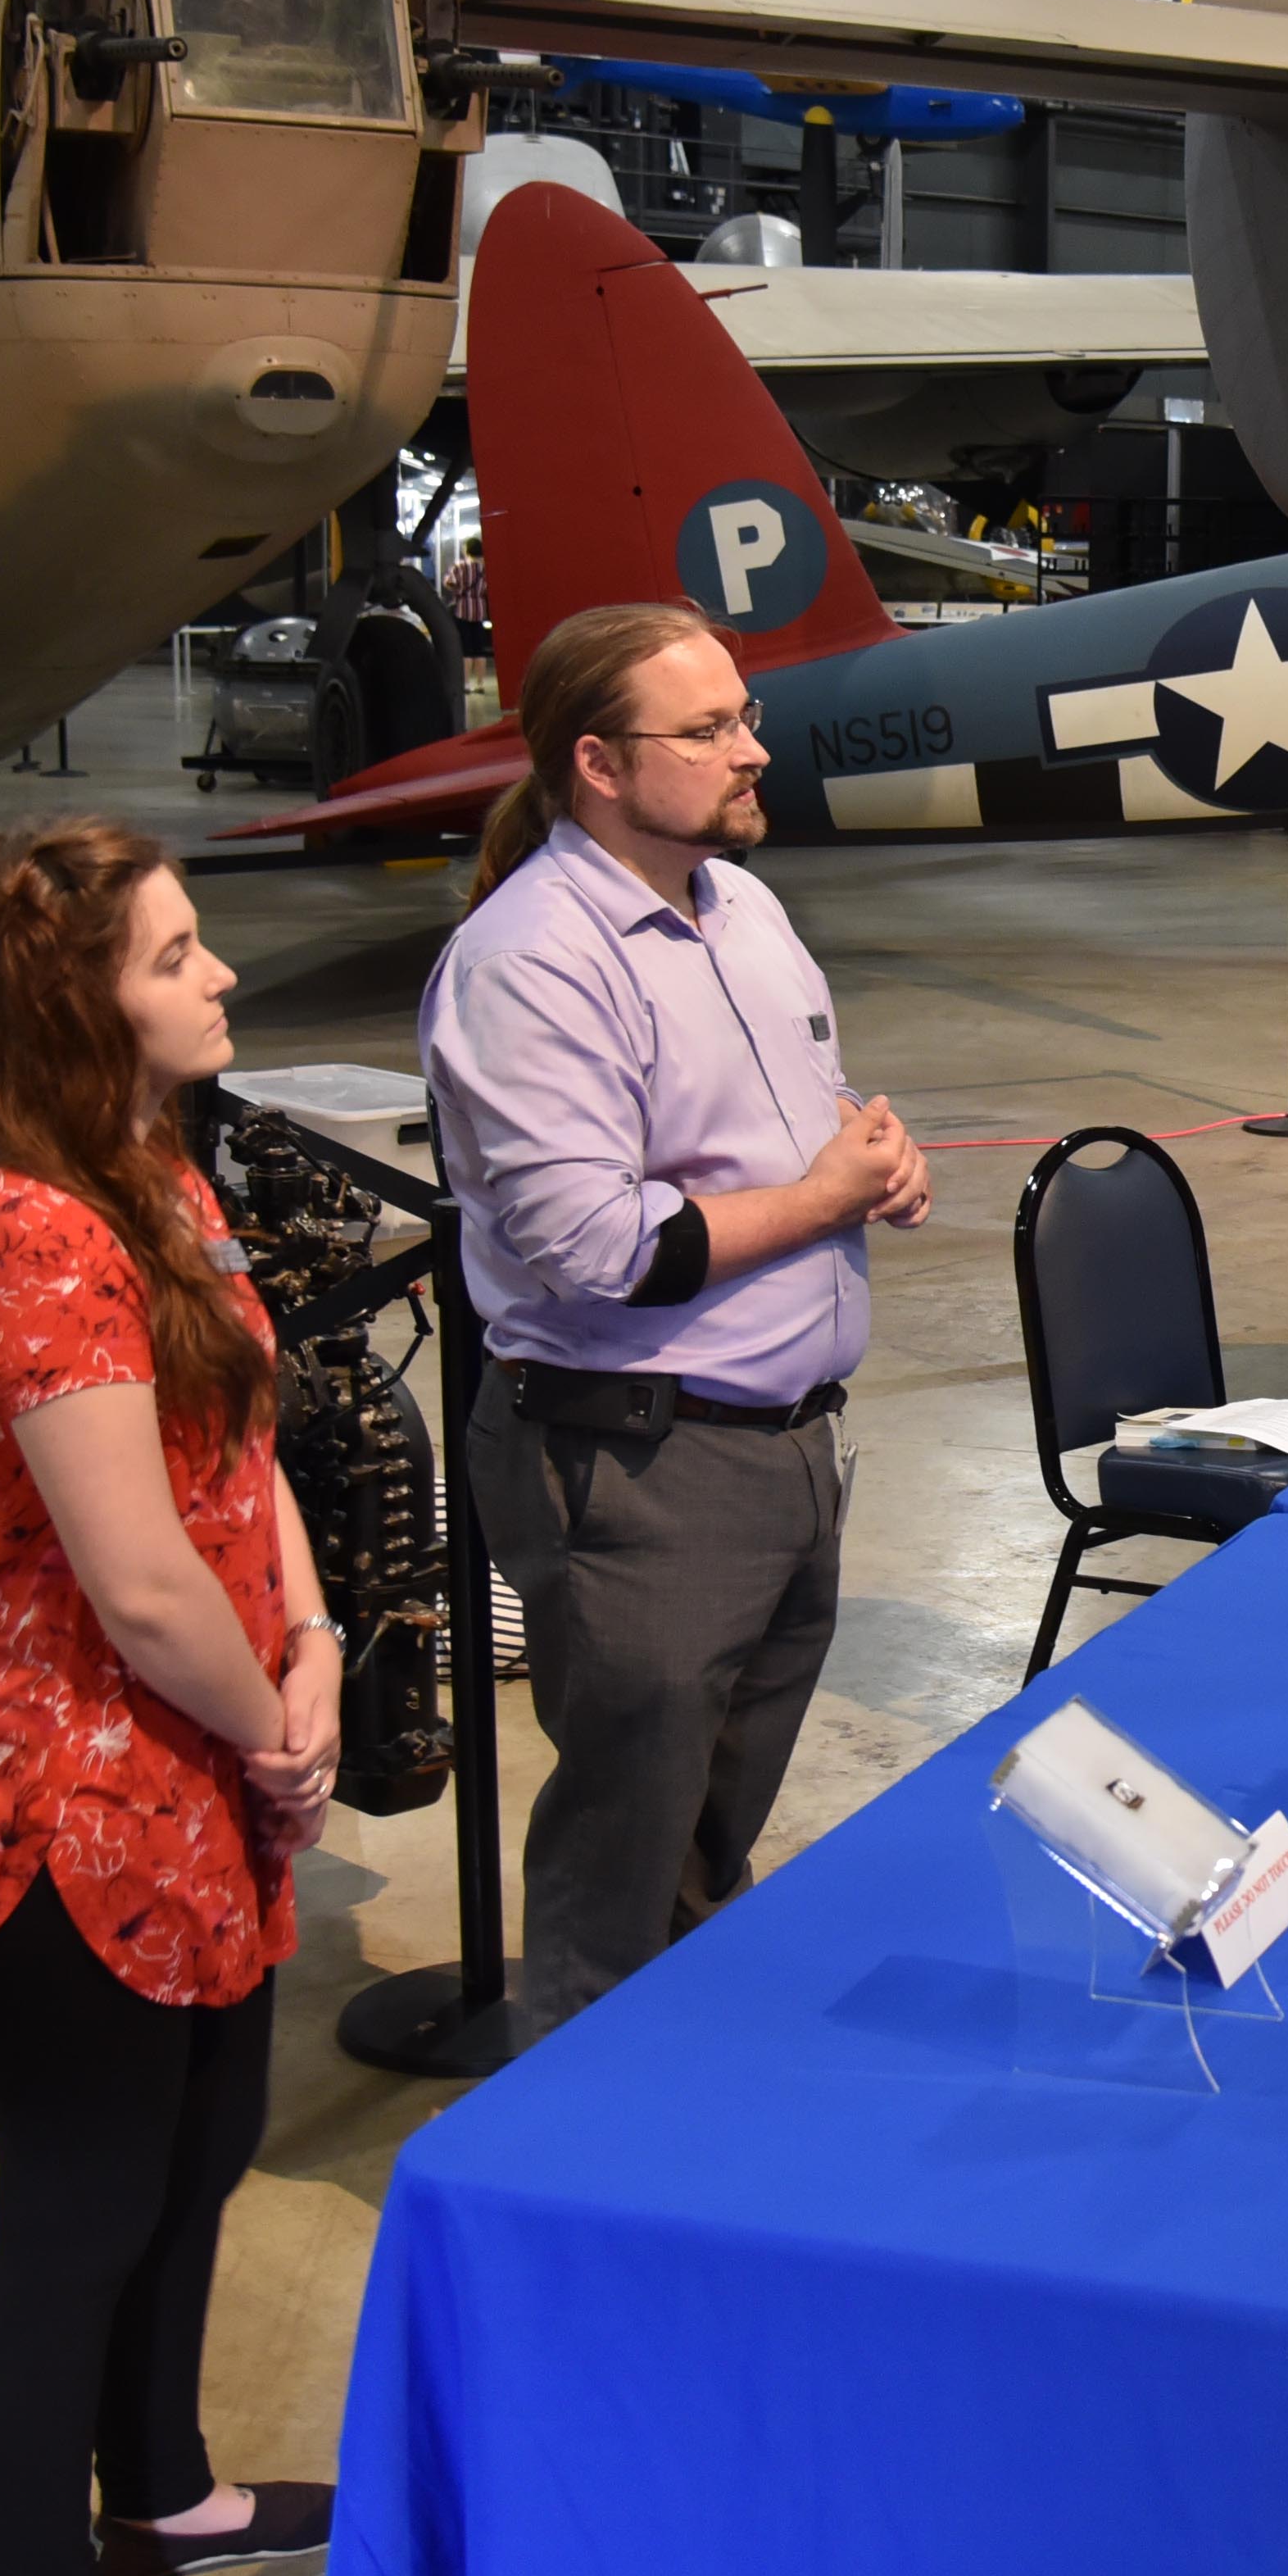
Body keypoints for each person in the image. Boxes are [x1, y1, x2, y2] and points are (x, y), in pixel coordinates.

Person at [0, 818, 342, 2576]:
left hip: (205, 1758)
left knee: (204, 2143)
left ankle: (160, 2482)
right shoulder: (26, 1228)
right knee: (76, 2207)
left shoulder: (154, 1176)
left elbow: (243, 1454)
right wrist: (271, 1720)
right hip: (69, 1799)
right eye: (177, 955)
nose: (220, 975)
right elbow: (139, 1579)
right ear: (75, 998)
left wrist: (312, 1647)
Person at [420, 602, 934, 2033]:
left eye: (741, 717)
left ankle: (681, 2123)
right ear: (597, 762)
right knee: (620, 1878)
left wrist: (866, 1152)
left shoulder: (742, 908)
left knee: (707, 1846)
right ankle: (571, 2181)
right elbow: (597, 1248)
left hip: (782, 1449)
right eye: (705, 729)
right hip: (637, 1464)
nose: (748, 749)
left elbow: (784, 1118)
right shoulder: (532, 961)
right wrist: (826, 1198)